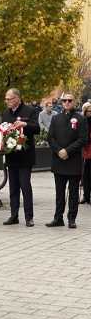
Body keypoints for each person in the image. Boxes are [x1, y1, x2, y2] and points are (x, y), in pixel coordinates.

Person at [46, 94, 88, 228]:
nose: (67, 102)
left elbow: (83, 139)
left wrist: (67, 151)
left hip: (73, 160)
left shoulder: (80, 119)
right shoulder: (56, 118)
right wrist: (59, 151)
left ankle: (71, 218)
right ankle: (58, 218)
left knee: (73, 192)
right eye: (64, 100)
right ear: (61, 102)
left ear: (74, 102)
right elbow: (50, 137)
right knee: (59, 192)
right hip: (59, 160)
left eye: (70, 100)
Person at [2, 88, 40, 227]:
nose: (7, 101)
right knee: (13, 188)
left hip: (25, 156)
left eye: (9, 99)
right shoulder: (5, 113)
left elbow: (37, 128)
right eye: (6, 99)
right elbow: (3, 131)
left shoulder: (29, 111)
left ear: (17, 98)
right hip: (12, 156)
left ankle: (29, 217)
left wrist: (25, 124)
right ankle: (14, 215)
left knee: (25, 186)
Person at [80, 102, 91, 204]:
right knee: (85, 175)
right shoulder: (82, 121)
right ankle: (85, 196)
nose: (90, 112)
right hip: (85, 150)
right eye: (89, 111)